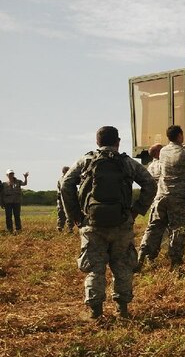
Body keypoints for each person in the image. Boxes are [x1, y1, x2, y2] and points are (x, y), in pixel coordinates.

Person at [61, 126, 157, 319]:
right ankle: (123, 310)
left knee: (95, 269)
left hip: (92, 224)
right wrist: (136, 210)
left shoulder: (87, 160)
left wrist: (76, 216)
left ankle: (96, 313)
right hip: (122, 223)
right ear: (118, 142)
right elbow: (150, 183)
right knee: (122, 266)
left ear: (97, 142)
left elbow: (66, 184)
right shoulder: (127, 162)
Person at [137, 125, 185, 271]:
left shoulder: (163, 152)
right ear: (180, 135)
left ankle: (140, 258)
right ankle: (175, 264)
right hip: (177, 200)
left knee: (154, 228)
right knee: (179, 229)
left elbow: (177, 152)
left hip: (160, 197)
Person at [56, 166, 75, 232]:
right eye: (66, 170)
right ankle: (60, 226)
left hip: (69, 198)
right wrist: (58, 194)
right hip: (61, 198)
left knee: (69, 212)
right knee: (60, 212)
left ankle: (70, 228)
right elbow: (58, 188)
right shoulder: (60, 179)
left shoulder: (71, 179)